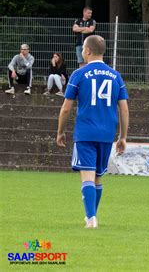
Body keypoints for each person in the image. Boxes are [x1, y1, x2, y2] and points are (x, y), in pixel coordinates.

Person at [56, 35, 129, 229]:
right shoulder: (116, 76)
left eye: (83, 50)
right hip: (106, 134)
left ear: (87, 50)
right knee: (97, 177)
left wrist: (60, 131)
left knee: (87, 176)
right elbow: (124, 109)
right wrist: (122, 136)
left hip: (85, 133)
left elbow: (65, 108)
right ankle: (93, 215)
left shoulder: (79, 74)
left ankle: (91, 219)